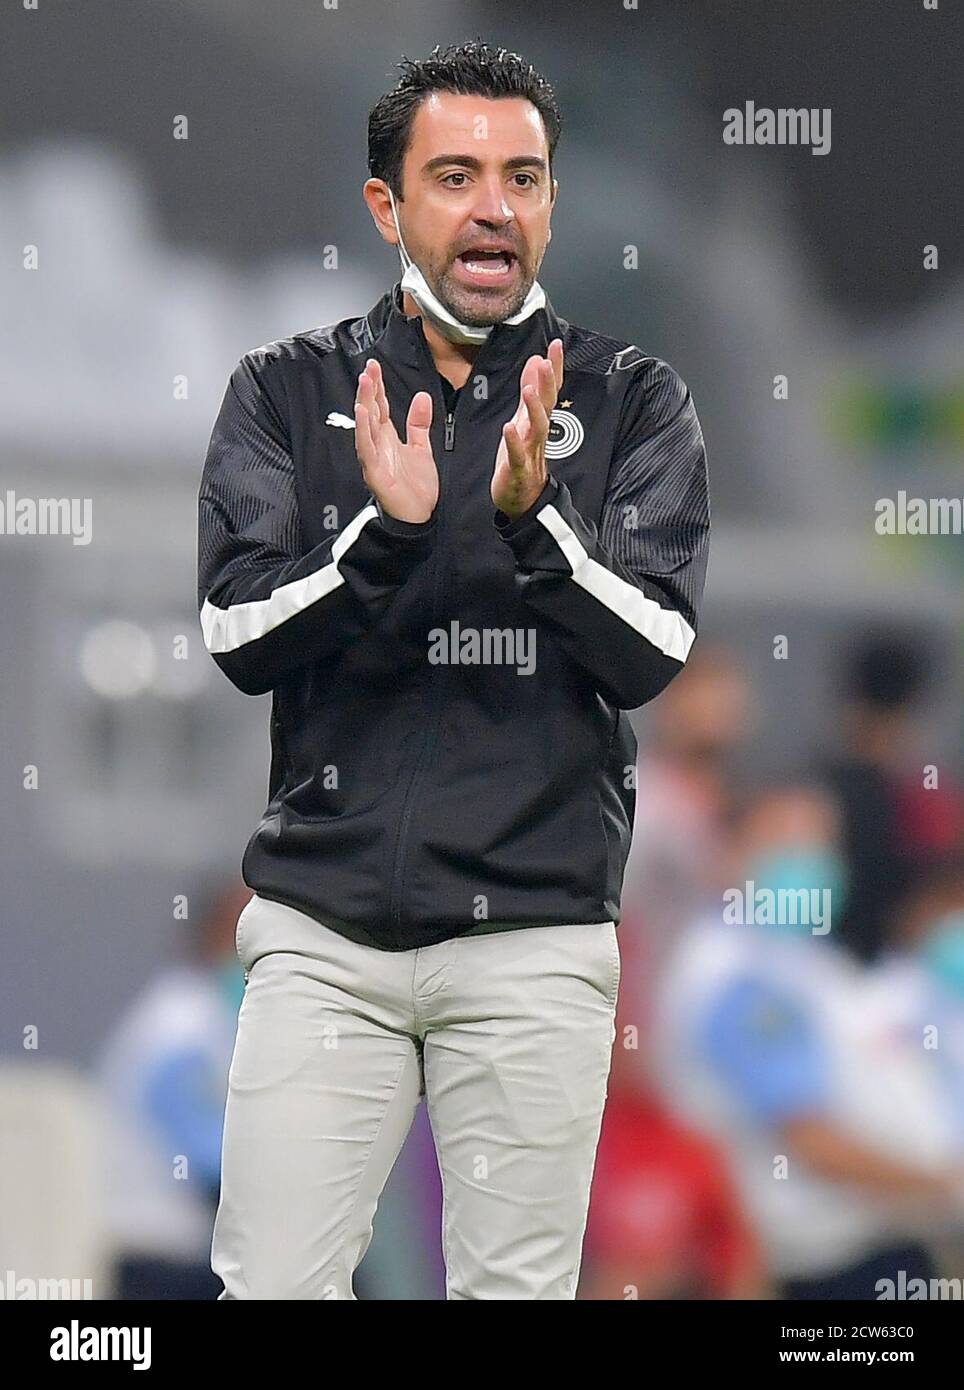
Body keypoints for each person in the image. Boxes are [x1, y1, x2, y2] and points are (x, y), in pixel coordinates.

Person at [197, 39, 710, 1300]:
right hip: (326, 937)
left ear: (551, 201)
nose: (495, 208)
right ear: (387, 205)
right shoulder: (284, 390)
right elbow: (236, 637)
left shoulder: (636, 400)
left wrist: (536, 523)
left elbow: (651, 652)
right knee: (267, 1290)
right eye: (457, 175)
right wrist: (386, 536)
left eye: (524, 178)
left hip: (534, 938)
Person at [651, 784, 964, 1299]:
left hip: (873, 1245)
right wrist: (943, 1187)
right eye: (786, 841)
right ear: (728, 853)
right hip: (824, 1268)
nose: (809, 862)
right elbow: (810, 1137)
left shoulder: (797, 963)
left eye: (821, 845)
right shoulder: (742, 979)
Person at [94, 880, 250, 1299]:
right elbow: (211, 1161)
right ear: (219, 935)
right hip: (159, 1263)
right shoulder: (180, 1026)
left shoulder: (206, 1016)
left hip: (183, 1257)